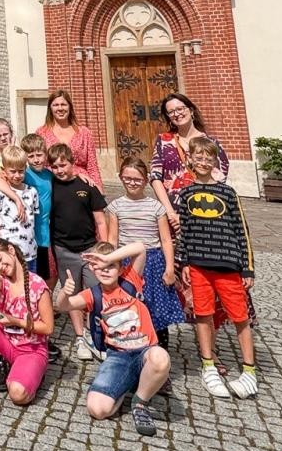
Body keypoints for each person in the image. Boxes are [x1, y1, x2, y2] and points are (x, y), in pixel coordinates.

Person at [173, 136, 258, 399]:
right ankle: (208, 365)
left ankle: (249, 370)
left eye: (208, 158)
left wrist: (247, 268)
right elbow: (184, 231)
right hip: (198, 264)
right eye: (198, 157)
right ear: (190, 160)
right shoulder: (186, 193)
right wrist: (184, 261)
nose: (203, 162)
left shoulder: (228, 192)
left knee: (240, 316)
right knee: (203, 313)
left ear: (215, 161)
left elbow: (241, 230)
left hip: (228, 264)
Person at [60, 242, 171, 435]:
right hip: (118, 356)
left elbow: (140, 248)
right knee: (97, 409)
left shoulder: (130, 281)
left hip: (146, 351)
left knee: (161, 358)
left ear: (120, 268)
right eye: (100, 268)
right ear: (93, 270)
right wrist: (64, 292)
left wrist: (107, 258)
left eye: (110, 266)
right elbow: (63, 306)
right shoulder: (92, 295)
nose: (105, 270)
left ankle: (139, 403)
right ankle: (130, 383)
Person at [105, 155, 184, 344]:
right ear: (121, 178)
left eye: (137, 179)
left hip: (153, 261)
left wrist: (170, 268)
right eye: (128, 178)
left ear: (146, 180)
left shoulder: (156, 207)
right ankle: (131, 345)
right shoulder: (116, 206)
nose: (132, 183)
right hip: (126, 261)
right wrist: (109, 263)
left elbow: (165, 240)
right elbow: (113, 239)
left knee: (155, 307)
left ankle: (160, 348)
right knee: (128, 305)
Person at [0, 239, 52, 406]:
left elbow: (48, 328)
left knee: (17, 394)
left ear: (11, 251)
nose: (0, 267)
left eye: (0, 259)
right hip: (5, 344)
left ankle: (32, 374)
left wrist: (15, 321)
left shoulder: (37, 285)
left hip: (30, 349)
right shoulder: (2, 281)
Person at [46, 142, 108, 360]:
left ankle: (95, 334)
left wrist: (105, 248)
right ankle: (80, 336)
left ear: (73, 163)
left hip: (90, 248)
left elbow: (100, 220)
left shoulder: (86, 185)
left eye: (63, 165)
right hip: (64, 249)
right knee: (72, 292)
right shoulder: (50, 185)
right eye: (55, 167)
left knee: (94, 292)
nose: (60, 170)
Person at [150, 92, 229, 225]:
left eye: (180, 109)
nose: (176, 114)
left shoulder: (211, 143)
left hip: (203, 210)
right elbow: (155, 176)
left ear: (191, 110)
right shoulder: (163, 141)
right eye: (171, 112)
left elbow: (220, 177)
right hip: (172, 211)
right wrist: (170, 213)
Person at [0, 147, 40, 264]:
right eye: (13, 171)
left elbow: (34, 220)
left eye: (21, 171)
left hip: (30, 252)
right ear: (3, 170)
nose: (17, 175)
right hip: (8, 252)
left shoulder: (32, 192)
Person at [36, 89, 101, 186]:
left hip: (81, 183)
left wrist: (99, 191)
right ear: (50, 108)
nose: (60, 108)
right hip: (52, 184)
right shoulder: (41, 133)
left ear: (70, 107)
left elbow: (92, 166)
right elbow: (38, 163)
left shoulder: (84, 133)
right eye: (56, 105)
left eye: (63, 104)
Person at [19, 134, 54, 281]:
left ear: (45, 154)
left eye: (39, 155)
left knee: (43, 275)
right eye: (31, 156)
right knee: (28, 274)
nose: (36, 159)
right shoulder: (24, 175)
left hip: (45, 231)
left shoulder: (49, 175)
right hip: (29, 232)